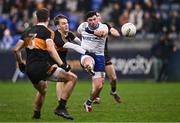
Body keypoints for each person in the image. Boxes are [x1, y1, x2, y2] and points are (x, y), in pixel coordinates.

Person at [14, 8, 77, 120]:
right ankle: (61, 107)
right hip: (42, 67)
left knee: (43, 90)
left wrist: (20, 64)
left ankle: (36, 114)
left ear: (36, 18)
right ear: (48, 19)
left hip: (30, 69)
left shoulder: (28, 32)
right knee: (72, 78)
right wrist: (63, 65)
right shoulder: (47, 32)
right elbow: (51, 50)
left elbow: (16, 50)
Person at [52, 14, 96, 101]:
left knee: (68, 78)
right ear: (58, 26)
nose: (66, 25)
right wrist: (87, 52)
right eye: (63, 23)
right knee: (60, 78)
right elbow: (73, 46)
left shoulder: (69, 34)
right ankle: (60, 102)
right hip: (51, 59)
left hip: (62, 60)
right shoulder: (56, 36)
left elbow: (80, 43)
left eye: (67, 23)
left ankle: (62, 101)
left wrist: (90, 49)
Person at [77, 11, 108, 112]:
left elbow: (101, 34)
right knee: (88, 61)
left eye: (94, 19)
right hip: (86, 53)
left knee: (99, 86)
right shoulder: (82, 26)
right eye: (90, 20)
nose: (93, 22)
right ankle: (89, 67)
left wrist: (88, 31)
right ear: (87, 21)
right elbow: (78, 32)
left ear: (97, 18)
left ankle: (88, 102)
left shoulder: (103, 27)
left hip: (99, 56)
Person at [93, 12, 121, 104]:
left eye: (98, 15)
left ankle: (113, 92)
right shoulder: (89, 27)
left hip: (105, 55)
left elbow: (116, 34)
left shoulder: (105, 26)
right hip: (94, 56)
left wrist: (108, 31)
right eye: (95, 16)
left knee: (113, 78)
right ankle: (96, 97)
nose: (97, 17)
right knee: (100, 79)